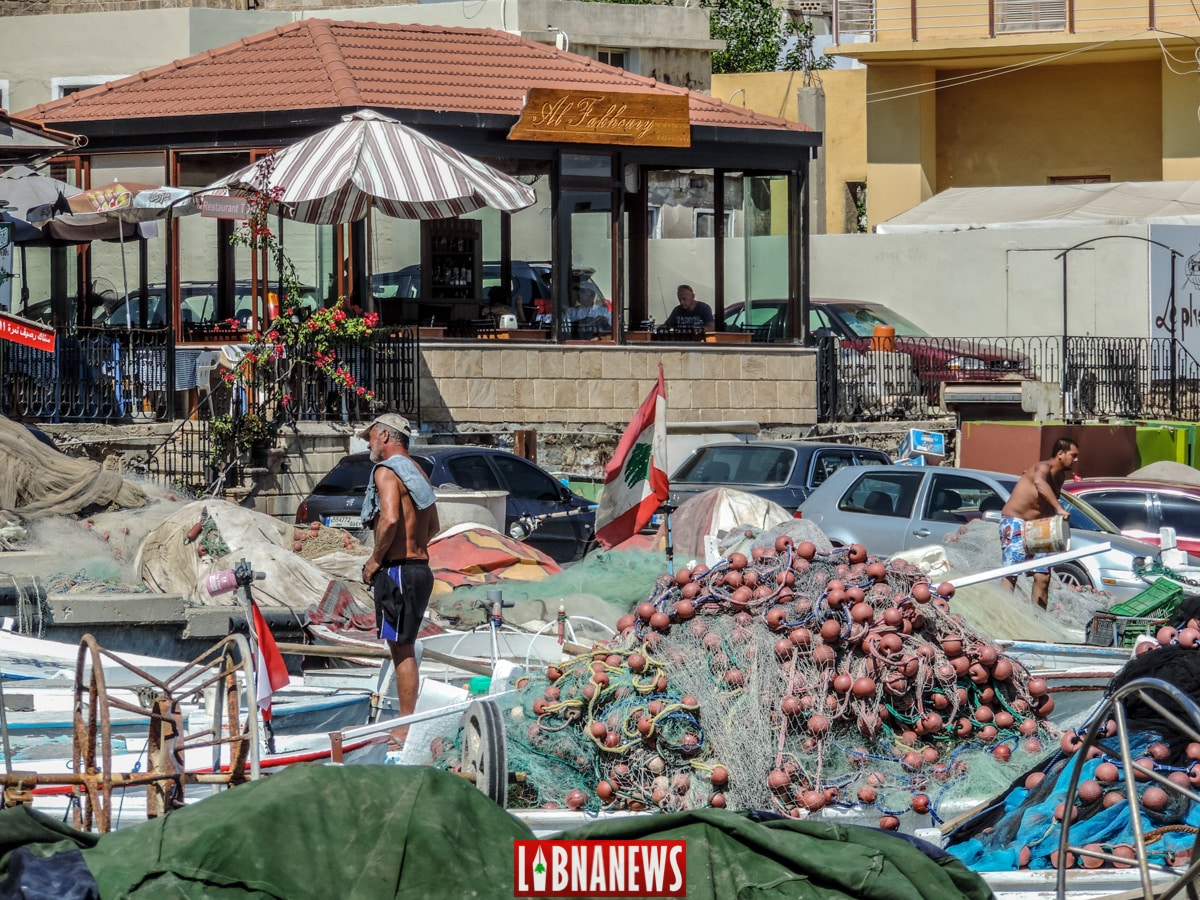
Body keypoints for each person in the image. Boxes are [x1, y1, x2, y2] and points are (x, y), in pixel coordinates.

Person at [359, 413, 440, 746]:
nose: (369, 443)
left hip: (398, 570)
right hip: (421, 569)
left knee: (401, 649)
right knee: (403, 644)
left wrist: (376, 559)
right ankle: (410, 723)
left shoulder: (387, 471)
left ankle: (408, 727)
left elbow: (390, 518)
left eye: (371, 437)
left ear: (386, 437)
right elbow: (433, 526)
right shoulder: (418, 473)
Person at [999, 437, 1080, 610]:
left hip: (1038, 527)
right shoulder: (1042, 468)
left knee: (1043, 576)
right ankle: (1002, 617)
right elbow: (1040, 483)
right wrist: (1059, 508)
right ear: (1060, 454)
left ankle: (1038, 620)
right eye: (1073, 455)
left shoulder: (1060, 476)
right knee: (1011, 573)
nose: (1076, 460)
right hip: (1016, 522)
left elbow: (1043, 502)